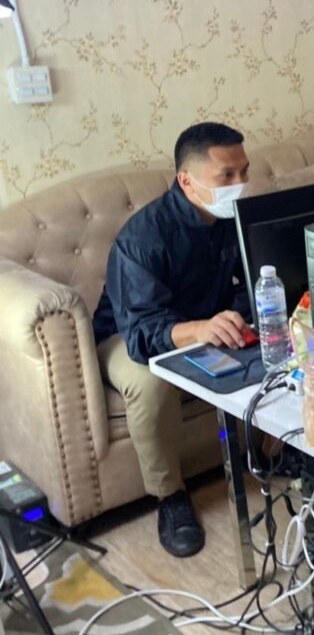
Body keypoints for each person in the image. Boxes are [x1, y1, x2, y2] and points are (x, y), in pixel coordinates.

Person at [92, 122, 252, 557]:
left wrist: (240, 317)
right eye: (227, 175)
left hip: (201, 322)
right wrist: (200, 329)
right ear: (187, 181)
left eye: (244, 171)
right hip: (125, 334)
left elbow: (251, 281)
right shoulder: (143, 236)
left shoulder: (233, 219)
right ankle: (170, 497)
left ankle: (272, 452)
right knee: (152, 381)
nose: (240, 184)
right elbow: (142, 332)